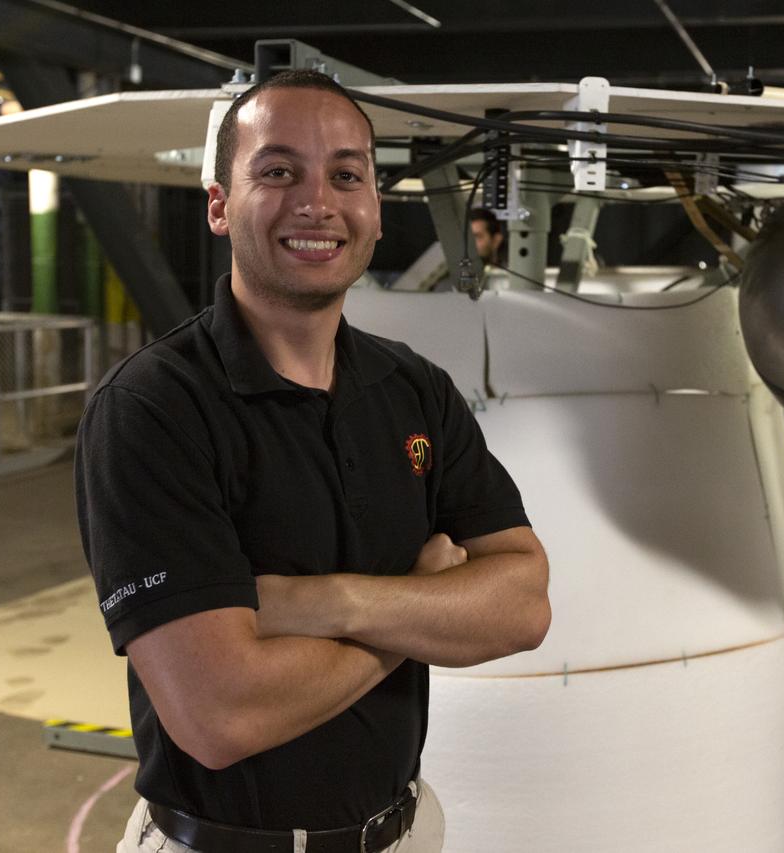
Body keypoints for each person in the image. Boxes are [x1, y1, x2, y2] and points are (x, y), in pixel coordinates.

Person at [75, 70, 550, 853]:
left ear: (372, 208)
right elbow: (222, 716)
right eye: (278, 170)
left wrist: (325, 602)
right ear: (220, 205)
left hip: (402, 830)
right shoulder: (152, 411)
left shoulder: (414, 391)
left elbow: (523, 603)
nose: (317, 201)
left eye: (346, 175)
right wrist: (422, 606)